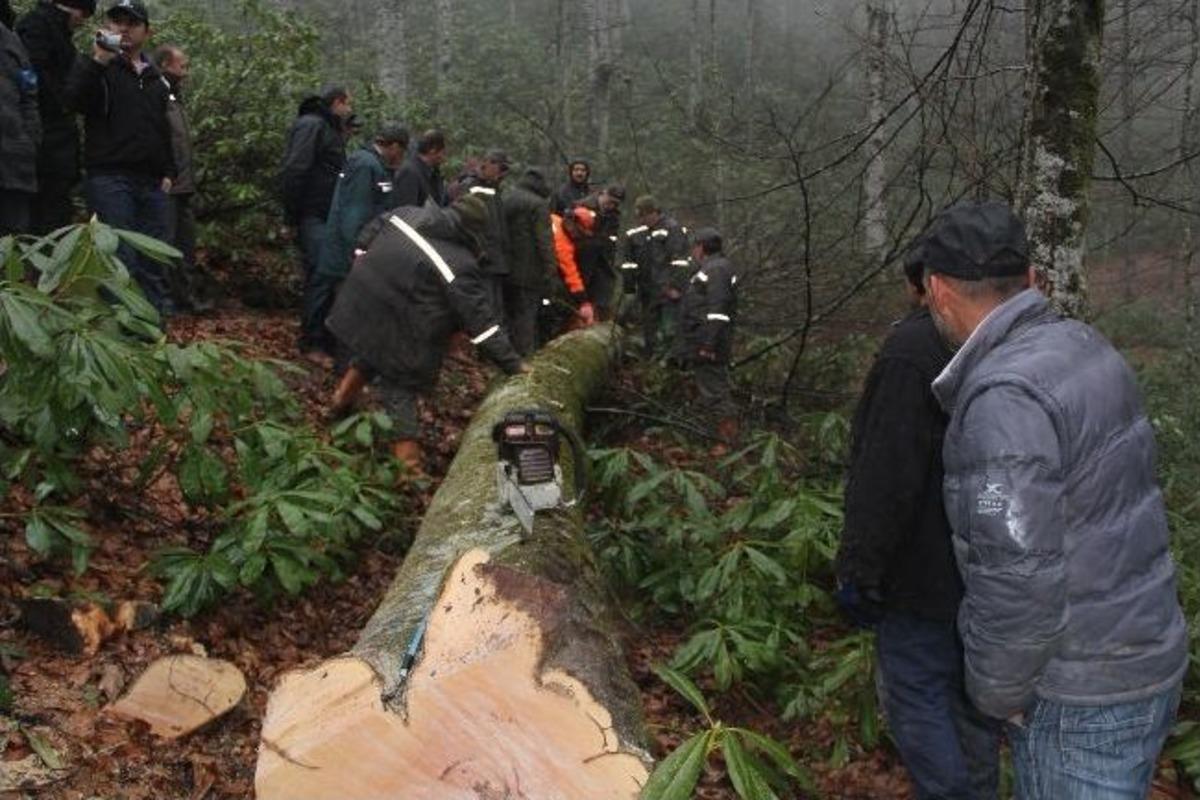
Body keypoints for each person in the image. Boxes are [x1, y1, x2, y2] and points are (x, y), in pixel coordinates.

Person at [922, 201, 1187, 799]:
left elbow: (1018, 578)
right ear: (1032, 279)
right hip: (1142, 655)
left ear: (937, 290)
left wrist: (996, 694)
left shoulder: (1004, 398)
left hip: (1082, 692)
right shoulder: (1081, 346)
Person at [835, 245, 1000, 799]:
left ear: (928, 287)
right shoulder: (1003, 343)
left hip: (923, 572)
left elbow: (885, 469)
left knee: (919, 698)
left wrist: (861, 567)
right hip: (983, 568)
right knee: (971, 703)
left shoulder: (910, 351)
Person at [324, 195, 528, 474]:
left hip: (360, 302)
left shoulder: (406, 212)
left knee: (371, 351)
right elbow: (482, 323)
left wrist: (362, 255)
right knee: (400, 384)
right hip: (393, 314)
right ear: (474, 231)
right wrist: (514, 365)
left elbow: (372, 228)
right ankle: (409, 471)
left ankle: (338, 404)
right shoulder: (458, 263)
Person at [64, 0, 174, 313]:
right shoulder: (99, 67)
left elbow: (162, 127)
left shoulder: (155, 78)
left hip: (152, 181)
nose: (123, 28)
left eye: (131, 22)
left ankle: (152, 330)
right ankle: (121, 330)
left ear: (147, 31)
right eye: (117, 21)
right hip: (110, 177)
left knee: (155, 257)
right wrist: (98, 60)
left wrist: (169, 171)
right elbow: (72, 100)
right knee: (120, 256)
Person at [301, 123, 409, 360]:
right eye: (402, 151)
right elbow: (355, 214)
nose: (401, 157)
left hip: (354, 249)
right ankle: (323, 350)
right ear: (393, 146)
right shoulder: (365, 165)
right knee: (339, 303)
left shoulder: (377, 166)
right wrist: (359, 251)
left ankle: (331, 350)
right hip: (346, 252)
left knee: (336, 301)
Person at [279, 84, 350, 355]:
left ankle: (325, 337)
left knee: (327, 272)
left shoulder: (329, 129)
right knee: (321, 272)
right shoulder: (312, 125)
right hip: (313, 214)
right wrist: (291, 215)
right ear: (338, 102)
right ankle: (312, 340)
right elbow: (295, 169)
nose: (349, 110)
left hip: (326, 214)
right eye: (348, 104)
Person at [17, 0, 94, 234]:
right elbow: (36, 83)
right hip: (45, 148)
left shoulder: (54, 32)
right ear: (77, 12)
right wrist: (64, 102)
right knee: (44, 221)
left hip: (52, 149)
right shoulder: (38, 28)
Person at [153, 44, 209, 312]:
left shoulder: (176, 97)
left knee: (185, 246)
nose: (185, 72)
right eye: (181, 66)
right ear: (165, 64)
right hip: (167, 185)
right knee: (164, 245)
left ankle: (184, 298)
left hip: (184, 186)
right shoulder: (156, 93)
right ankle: (163, 300)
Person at [674, 227, 738, 453]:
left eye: (694, 247)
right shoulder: (712, 268)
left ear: (700, 247)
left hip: (709, 343)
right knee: (709, 389)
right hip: (701, 340)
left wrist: (709, 344)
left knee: (716, 391)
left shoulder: (717, 269)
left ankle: (726, 441)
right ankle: (716, 437)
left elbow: (718, 309)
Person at [622, 195, 688, 356]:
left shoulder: (672, 229)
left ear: (654, 212)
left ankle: (671, 363)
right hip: (646, 290)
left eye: (644, 215)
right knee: (650, 330)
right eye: (639, 216)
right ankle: (652, 360)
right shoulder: (635, 233)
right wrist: (629, 288)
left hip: (667, 290)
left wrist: (675, 286)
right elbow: (629, 263)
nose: (642, 220)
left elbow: (680, 261)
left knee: (669, 330)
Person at [502, 166, 557, 356]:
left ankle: (502, 357)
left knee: (507, 314)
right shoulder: (539, 205)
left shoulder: (508, 198)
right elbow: (544, 241)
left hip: (505, 268)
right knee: (526, 317)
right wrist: (551, 268)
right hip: (530, 270)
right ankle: (524, 359)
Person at [0, 1, 40, 236]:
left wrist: (29, 139)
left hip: (14, 165)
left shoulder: (12, 42)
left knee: (13, 244)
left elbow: (30, 92)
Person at [457, 149, 511, 314]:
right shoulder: (471, 187)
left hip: (497, 259)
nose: (502, 174)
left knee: (497, 307)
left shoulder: (494, 189)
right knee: (486, 306)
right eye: (501, 169)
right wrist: (479, 251)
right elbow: (467, 222)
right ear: (488, 164)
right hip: (482, 259)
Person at [546, 204, 597, 338]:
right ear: (574, 224)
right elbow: (571, 275)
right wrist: (584, 302)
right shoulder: (563, 245)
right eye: (580, 233)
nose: (578, 237)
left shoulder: (554, 218)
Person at [577, 184, 624, 320]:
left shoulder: (613, 217)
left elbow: (611, 241)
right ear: (603, 194)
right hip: (582, 260)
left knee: (603, 295)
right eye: (610, 202)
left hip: (602, 262)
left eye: (616, 204)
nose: (611, 206)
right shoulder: (582, 207)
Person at [393, 129, 448, 209]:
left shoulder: (434, 173)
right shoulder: (410, 173)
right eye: (442, 152)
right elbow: (406, 210)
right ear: (433, 151)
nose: (443, 157)